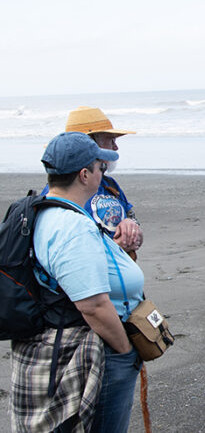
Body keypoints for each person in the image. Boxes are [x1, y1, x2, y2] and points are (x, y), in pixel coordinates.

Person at [10, 132, 144, 432]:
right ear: (85, 175)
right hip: (95, 346)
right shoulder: (71, 226)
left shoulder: (43, 209)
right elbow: (93, 305)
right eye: (100, 168)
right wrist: (124, 352)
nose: (103, 173)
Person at [42, 106, 143, 258]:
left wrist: (132, 228)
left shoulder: (109, 185)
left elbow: (132, 219)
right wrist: (114, 248)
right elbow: (68, 253)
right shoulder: (63, 191)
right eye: (110, 140)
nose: (116, 147)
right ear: (89, 143)